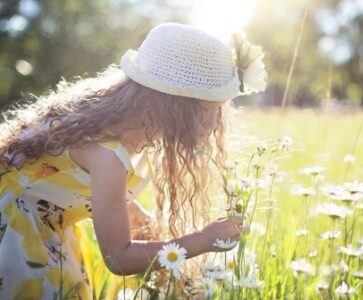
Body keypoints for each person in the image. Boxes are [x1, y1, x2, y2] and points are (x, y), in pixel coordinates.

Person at [0, 22, 267, 299]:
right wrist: (203, 240)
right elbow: (119, 259)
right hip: (18, 241)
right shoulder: (108, 157)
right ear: (176, 107)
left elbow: (64, 179)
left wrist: (135, 212)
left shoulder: (110, 121)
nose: (214, 125)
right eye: (208, 110)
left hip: (40, 225)